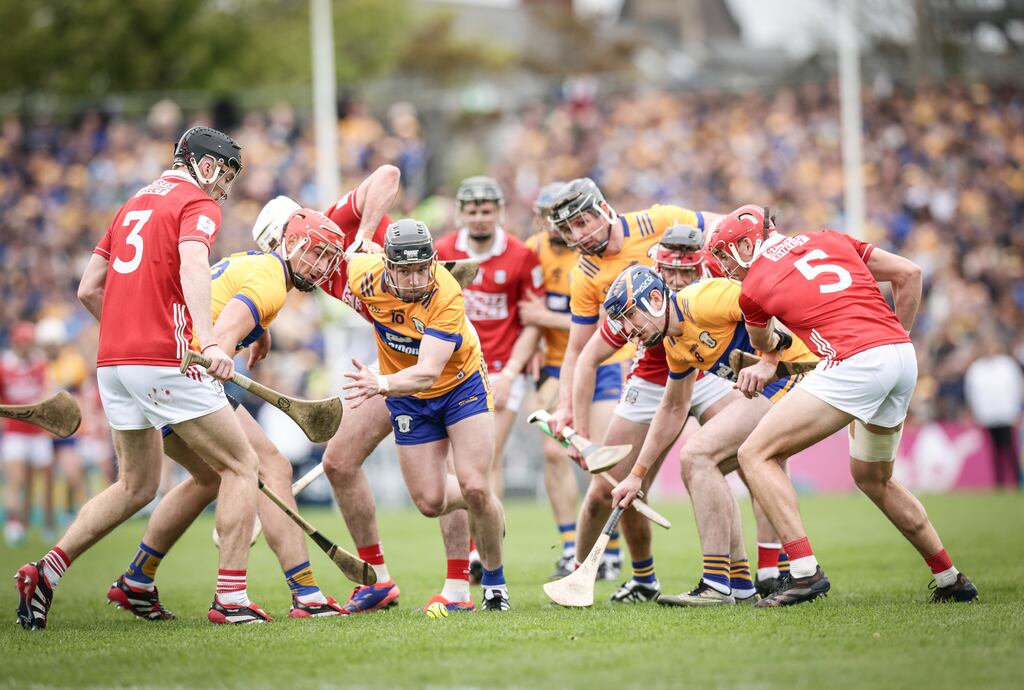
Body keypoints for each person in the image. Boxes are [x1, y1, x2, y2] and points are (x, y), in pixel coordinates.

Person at [15, 126, 266, 629]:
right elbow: (194, 263)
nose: (224, 188)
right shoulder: (196, 202)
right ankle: (232, 599)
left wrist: (127, 336)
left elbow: (88, 289)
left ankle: (47, 571)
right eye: (224, 175)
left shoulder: (131, 204)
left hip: (113, 362)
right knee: (242, 466)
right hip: (163, 359)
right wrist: (209, 341)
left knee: (136, 484)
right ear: (206, 165)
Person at [710, 204, 978, 606]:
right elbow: (909, 273)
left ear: (748, 244)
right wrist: (897, 336)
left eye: (726, 254)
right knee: (874, 479)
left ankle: (804, 572)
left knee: (755, 454)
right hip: (900, 356)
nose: (725, 266)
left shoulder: (753, 288)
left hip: (854, 363)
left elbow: (764, 341)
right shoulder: (830, 237)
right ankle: (949, 578)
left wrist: (766, 362)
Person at [105, 208, 348, 622]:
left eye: (328, 258)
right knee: (270, 466)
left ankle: (137, 579)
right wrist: (231, 346)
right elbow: (216, 338)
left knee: (210, 477)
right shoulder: (270, 279)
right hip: (182, 377)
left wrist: (259, 333)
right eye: (317, 253)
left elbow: (230, 304)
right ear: (286, 243)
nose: (323, 267)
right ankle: (303, 593)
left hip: (152, 373)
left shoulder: (252, 266)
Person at [545, 178, 726, 602]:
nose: (578, 235)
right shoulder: (585, 275)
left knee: (758, 457)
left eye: (582, 222)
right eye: (568, 229)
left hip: (707, 361)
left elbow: (728, 227)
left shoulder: (656, 221)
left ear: (605, 209)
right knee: (606, 491)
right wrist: (573, 417)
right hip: (649, 375)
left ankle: (778, 570)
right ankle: (625, 580)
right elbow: (579, 353)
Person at [605, 265, 816, 605]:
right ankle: (741, 583)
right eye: (623, 322)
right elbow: (673, 408)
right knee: (705, 463)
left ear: (655, 299)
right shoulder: (675, 344)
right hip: (773, 389)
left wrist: (769, 360)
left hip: (794, 377)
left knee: (697, 456)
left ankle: (718, 584)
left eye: (630, 315)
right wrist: (636, 475)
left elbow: (764, 303)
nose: (629, 329)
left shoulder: (702, 300)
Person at [343, 219, 512, 611]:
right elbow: (340, 263)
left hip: (460, 385)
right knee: (429, 502)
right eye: (405, 271)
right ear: (387, 266)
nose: (416, 279)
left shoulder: (446, 293)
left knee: (474, 483)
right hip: (409, 399)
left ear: (434, 262)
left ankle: (494, 585)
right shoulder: (363, 275)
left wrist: (380, 383)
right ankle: (484, 502)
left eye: (422, 269)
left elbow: (428, 372)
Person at [520, 181, 631, 580]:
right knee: (555, 454)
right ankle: (571, 546)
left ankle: (610, 550)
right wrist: (532, 343)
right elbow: (523, 311)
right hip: (555, 369)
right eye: (550, 216)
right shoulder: (532, 251)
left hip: (603, 363)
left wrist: (545, 319)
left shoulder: (593, 253)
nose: (560, 227)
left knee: (600, 457)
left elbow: (601, 324)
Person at [434, 176, 543, 578]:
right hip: (452, 369)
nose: (480, 217)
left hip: (499, 370)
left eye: (487, 210)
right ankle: (471, 553)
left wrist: (512, 373)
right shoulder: (442, 252)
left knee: (483, 458)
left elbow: (531, 322)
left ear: (499, 212)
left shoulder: (520, 256)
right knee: (454, 467)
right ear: (461, 213)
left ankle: (483, 552)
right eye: (473, 210)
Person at [1, 321, 52, 547]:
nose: (28, 346)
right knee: (16, 479)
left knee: (38, 480)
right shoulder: (4, 366)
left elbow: (46, 391)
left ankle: (29, 522)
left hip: (37, 432)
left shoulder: (39, 364)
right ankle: (13, 522)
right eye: (25, 342)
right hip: (15, 433)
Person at [36, 317, 89, 531]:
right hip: (43, 430)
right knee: (48, 477)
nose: (50, 348)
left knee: (72, 472)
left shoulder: (74, 362)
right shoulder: (38, 365)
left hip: (67, 429)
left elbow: (82, 393)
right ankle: (49, 523)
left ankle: (69, 511)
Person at [964, 334, 1022, 489]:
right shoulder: (977, 368)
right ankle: (999, 481)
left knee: (1009, 449)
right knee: (994, 450)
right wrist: (975, 411)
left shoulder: (1007, 365)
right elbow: (972, 393)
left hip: (1006, 414)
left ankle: (1016, 481)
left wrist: (1016, 409)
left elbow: (1016, 388)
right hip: (988, 416)